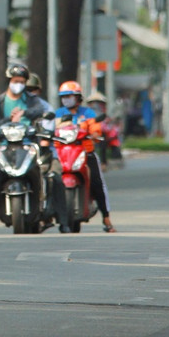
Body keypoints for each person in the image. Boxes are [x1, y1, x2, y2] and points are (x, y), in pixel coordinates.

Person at [0, 65, 49, 234]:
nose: (18, 84)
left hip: (27, 144)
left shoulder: (31, 100)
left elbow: (39, 110)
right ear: (9, 81)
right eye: (15, 81)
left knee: (44, 174)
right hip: (3, 145)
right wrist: (10, 118)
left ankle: (43, 212)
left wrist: (24, 113)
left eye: (21, 82)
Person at [54, 80, 114, 233]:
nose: (66, 99)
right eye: (64, 96)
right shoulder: (58, 114)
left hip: (84, 153)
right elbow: (52, 129)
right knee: (49, 176)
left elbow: (95, 129)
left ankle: (106, 218)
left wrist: (93, 133)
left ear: (78, 97)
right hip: (63, 153)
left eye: (69, 96)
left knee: (96, 182)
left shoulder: (87, 113)